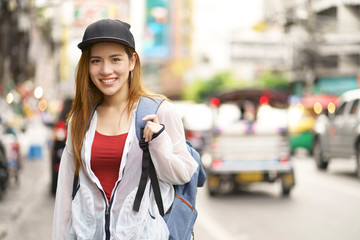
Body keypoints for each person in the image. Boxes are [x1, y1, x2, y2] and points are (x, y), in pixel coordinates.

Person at [52, 19, 198, 240]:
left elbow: (183, 174)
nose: (105, 70)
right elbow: (65, 194)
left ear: (132, 61)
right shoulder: (79, 119)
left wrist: (158, 142)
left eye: (115, 59)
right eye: (96, 61)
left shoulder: (160, 111)